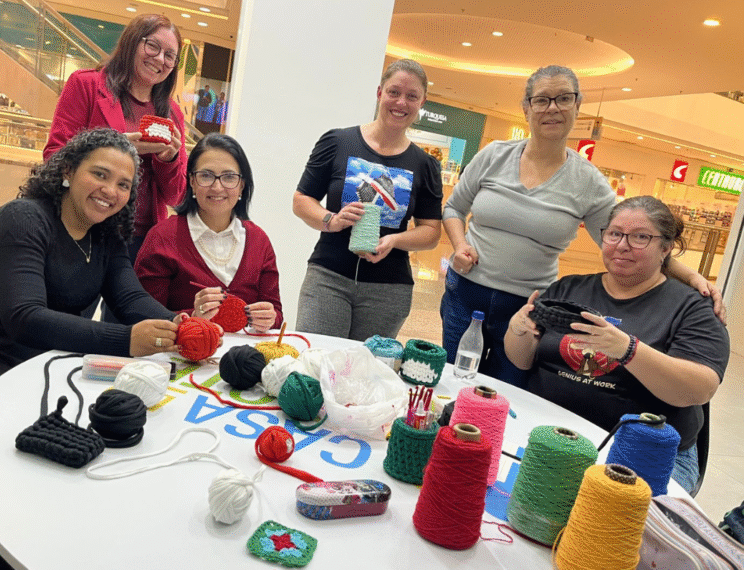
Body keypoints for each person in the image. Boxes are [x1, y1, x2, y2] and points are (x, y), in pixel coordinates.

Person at [0, 128, 182, 457]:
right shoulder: (23, 219)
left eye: (123, 184)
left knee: (95, 437)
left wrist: (181, 325)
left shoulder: (106, 235)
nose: (110, 190)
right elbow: (25, 318)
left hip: (33, 364)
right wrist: (127, 340)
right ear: (68, 171)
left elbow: (130, 299)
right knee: (34, 450)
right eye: (100, 174)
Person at [441, 65, 723, 387]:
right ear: (526, 107)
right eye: (542, 99)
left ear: (577, 106)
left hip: (529, 305)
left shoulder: (589, 182)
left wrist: (693, 278)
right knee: (452, 379)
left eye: (563, 98)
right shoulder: (494, 155)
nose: (552, 108)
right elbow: (454, 208)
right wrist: (460, 245)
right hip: (465, 291)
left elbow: (626, 242)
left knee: (504, 390)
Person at [504, 196, 729, 494]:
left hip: (643, 454)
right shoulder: (568, 288)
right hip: (549, 432)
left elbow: (698, 389)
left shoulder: (692, 308)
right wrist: (517, 329)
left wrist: (628, 350)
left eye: (640, 237)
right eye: (614, 234)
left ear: (666, 248)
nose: (622, 245)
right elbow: (522, 359)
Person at [292, 59, 442, 341]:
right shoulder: (338, 142)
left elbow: (431, 232)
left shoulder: (425, 165)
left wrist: (394, 240)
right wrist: (331, 220)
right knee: (316, 359)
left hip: (388, 288)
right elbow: (301, 200)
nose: (401, 102)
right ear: (380, 92)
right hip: (328, 277)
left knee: (366, 366)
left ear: (422, 102)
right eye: (394, 92)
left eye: (412, 96)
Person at [44, 14, 186, 263]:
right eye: (153, 46)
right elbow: (54, 157)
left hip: (141, 240)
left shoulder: (172, 114)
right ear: (132, 41)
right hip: (83, 227)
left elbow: (176, 196)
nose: (159, 59)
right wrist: (116, 147)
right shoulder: (86, 85)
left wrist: (168, 160)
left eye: (170, 55)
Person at [135, 133, 282, 333]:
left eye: (229, 177)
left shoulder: (259, 241)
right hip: (181, 351)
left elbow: (276, 315)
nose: (217, 187)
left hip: (245, 352)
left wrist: (269, 318)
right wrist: (193, 316)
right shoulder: (163, 237)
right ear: (191, 181)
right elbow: (143, 318)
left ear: (242, 185)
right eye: (206, 175)